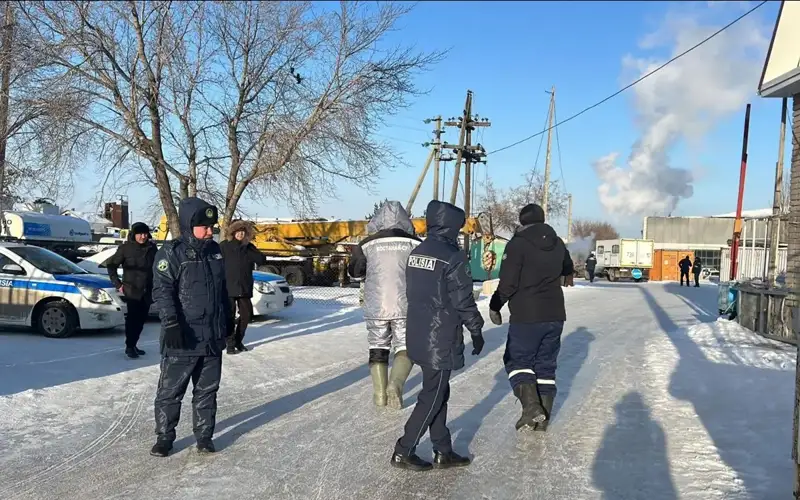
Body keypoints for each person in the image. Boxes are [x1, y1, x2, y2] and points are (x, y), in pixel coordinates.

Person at [391, 200, 485, 472]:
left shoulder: (418, 252)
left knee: (439, 389)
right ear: (452, 227)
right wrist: (476, 329)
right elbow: (463, 300)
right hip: (440, 336)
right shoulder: (453, 257)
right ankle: (403, 449)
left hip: (418, 332)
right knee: (433, 393)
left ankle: (442, 449)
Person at [150, 197, 231, 457]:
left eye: (212, 226)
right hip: (183, 336)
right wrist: (171, 323)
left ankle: (204, 436)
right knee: (171, 391)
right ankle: (165, 437)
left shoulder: (215, 252)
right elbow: (162, 291)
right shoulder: (171, 253)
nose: (210, 231)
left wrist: (227, 319)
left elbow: (222, 291)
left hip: (211, 337)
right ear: (189, 225)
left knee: (207, 391)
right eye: (205, 226)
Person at [488, 203, 574, 432]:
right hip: (555, 314)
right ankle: (543, 419)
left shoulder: (518, 244)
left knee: (518, 361)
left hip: (526, 315)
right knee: (545, 366)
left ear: (522, 221)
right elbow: (568, 268)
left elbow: (508, 283)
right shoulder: (557, 243)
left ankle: (532, 408)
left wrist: (495, 305)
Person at [348, 201, 421, 409]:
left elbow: (354, 272)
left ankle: (379, 394)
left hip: (376, 305)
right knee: (405, 346)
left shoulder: (366, 244)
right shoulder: (415, 243)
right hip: (406, 305)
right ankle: (395, 385)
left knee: (378, 347)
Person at [106, 222, 157, 359]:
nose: (143, 237)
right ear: (134, 235)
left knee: (141, 320)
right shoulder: (125, 248)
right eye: (140, 234)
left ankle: (134, 344)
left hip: (147, 290)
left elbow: (157, 267)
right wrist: (117, 284)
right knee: (132, 320)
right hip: (132, 289)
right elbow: (111, 266)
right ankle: (129, 346)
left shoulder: (152, 248)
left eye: (145, 234)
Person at [219, 220, 267, 355]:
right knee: (229, 316)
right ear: (233, 232)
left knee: (246, 315)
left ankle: (238, 341)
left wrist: (250, 249)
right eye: (238, 231)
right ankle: (229, 344)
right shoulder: (224, 246)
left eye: (243, 232)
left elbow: (261, 260)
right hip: (228, 287)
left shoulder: (248, 247)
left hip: (244, 287)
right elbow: (216, 264)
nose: (240, 234)